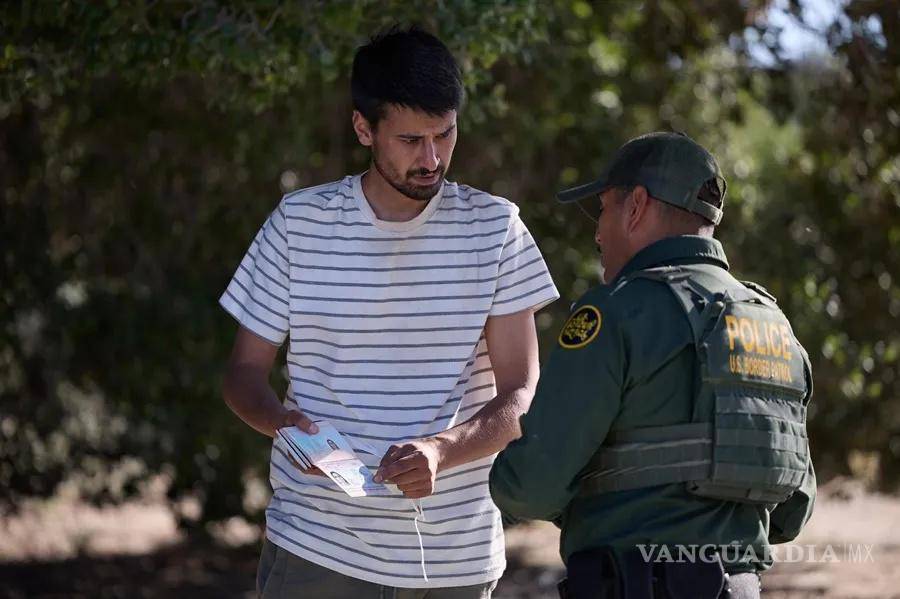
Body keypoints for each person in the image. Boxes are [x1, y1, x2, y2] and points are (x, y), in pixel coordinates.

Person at [220, 25, 559, 598]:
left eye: (444, 134)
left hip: (454, 561)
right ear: (363, 128)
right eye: (410, 140)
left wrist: (442, 450)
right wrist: (284, 425)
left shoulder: (497, 229)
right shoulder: (298, 224)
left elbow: (521, 392)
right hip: (315, 548)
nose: (431, 158)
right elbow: (242, 374)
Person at [489, 132, 816, 599]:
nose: (598, 231)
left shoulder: (616, 313)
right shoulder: (775, 326)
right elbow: (791, 513)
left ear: (636, 205)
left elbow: (529, 487)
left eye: (601, 209)